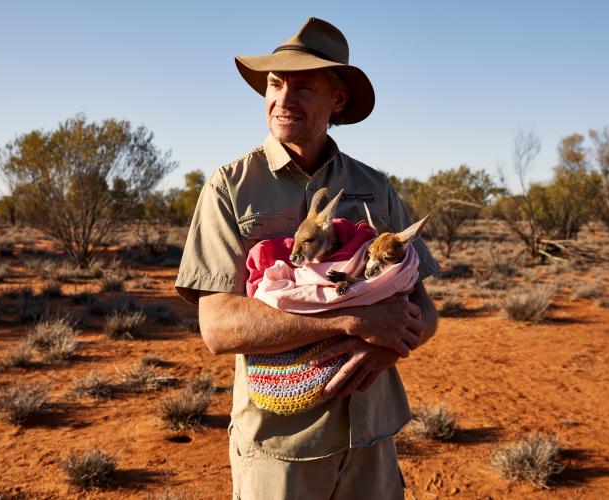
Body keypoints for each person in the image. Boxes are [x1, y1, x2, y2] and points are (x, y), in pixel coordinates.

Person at [175, 17, 439, 500]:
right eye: (275, 84)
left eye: (304, 87)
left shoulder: (375, 187)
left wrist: (389, 343)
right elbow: (218, 328)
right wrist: (351, 320)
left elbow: (425, 310)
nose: (283, 99)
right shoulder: (231, 187)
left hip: (372, 440)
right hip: (280, 447)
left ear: (338, 100)